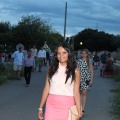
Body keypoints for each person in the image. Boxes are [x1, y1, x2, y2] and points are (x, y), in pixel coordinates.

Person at [38, 42, 81, 120]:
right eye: (59, 53)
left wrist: (79, 110)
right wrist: (40, 107)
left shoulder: (75, 72)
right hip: (51, 105)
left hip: (67, 107)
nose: (61, 56)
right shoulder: (50, 69)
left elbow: (76, 93)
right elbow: (46, 89)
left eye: (64, 52)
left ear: (69, 53)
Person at [77, 49, 93, 117]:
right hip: (79, 79)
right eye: (82, 53)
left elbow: (91, 71)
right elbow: (77, 70)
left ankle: (83, 108)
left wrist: (91, 80)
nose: (83, 54)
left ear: (87, 54)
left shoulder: (89, 61)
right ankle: (79, 108)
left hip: (86, 79)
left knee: (84, 93)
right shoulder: (79, 61)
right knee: (80, 93)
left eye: (85, 53)